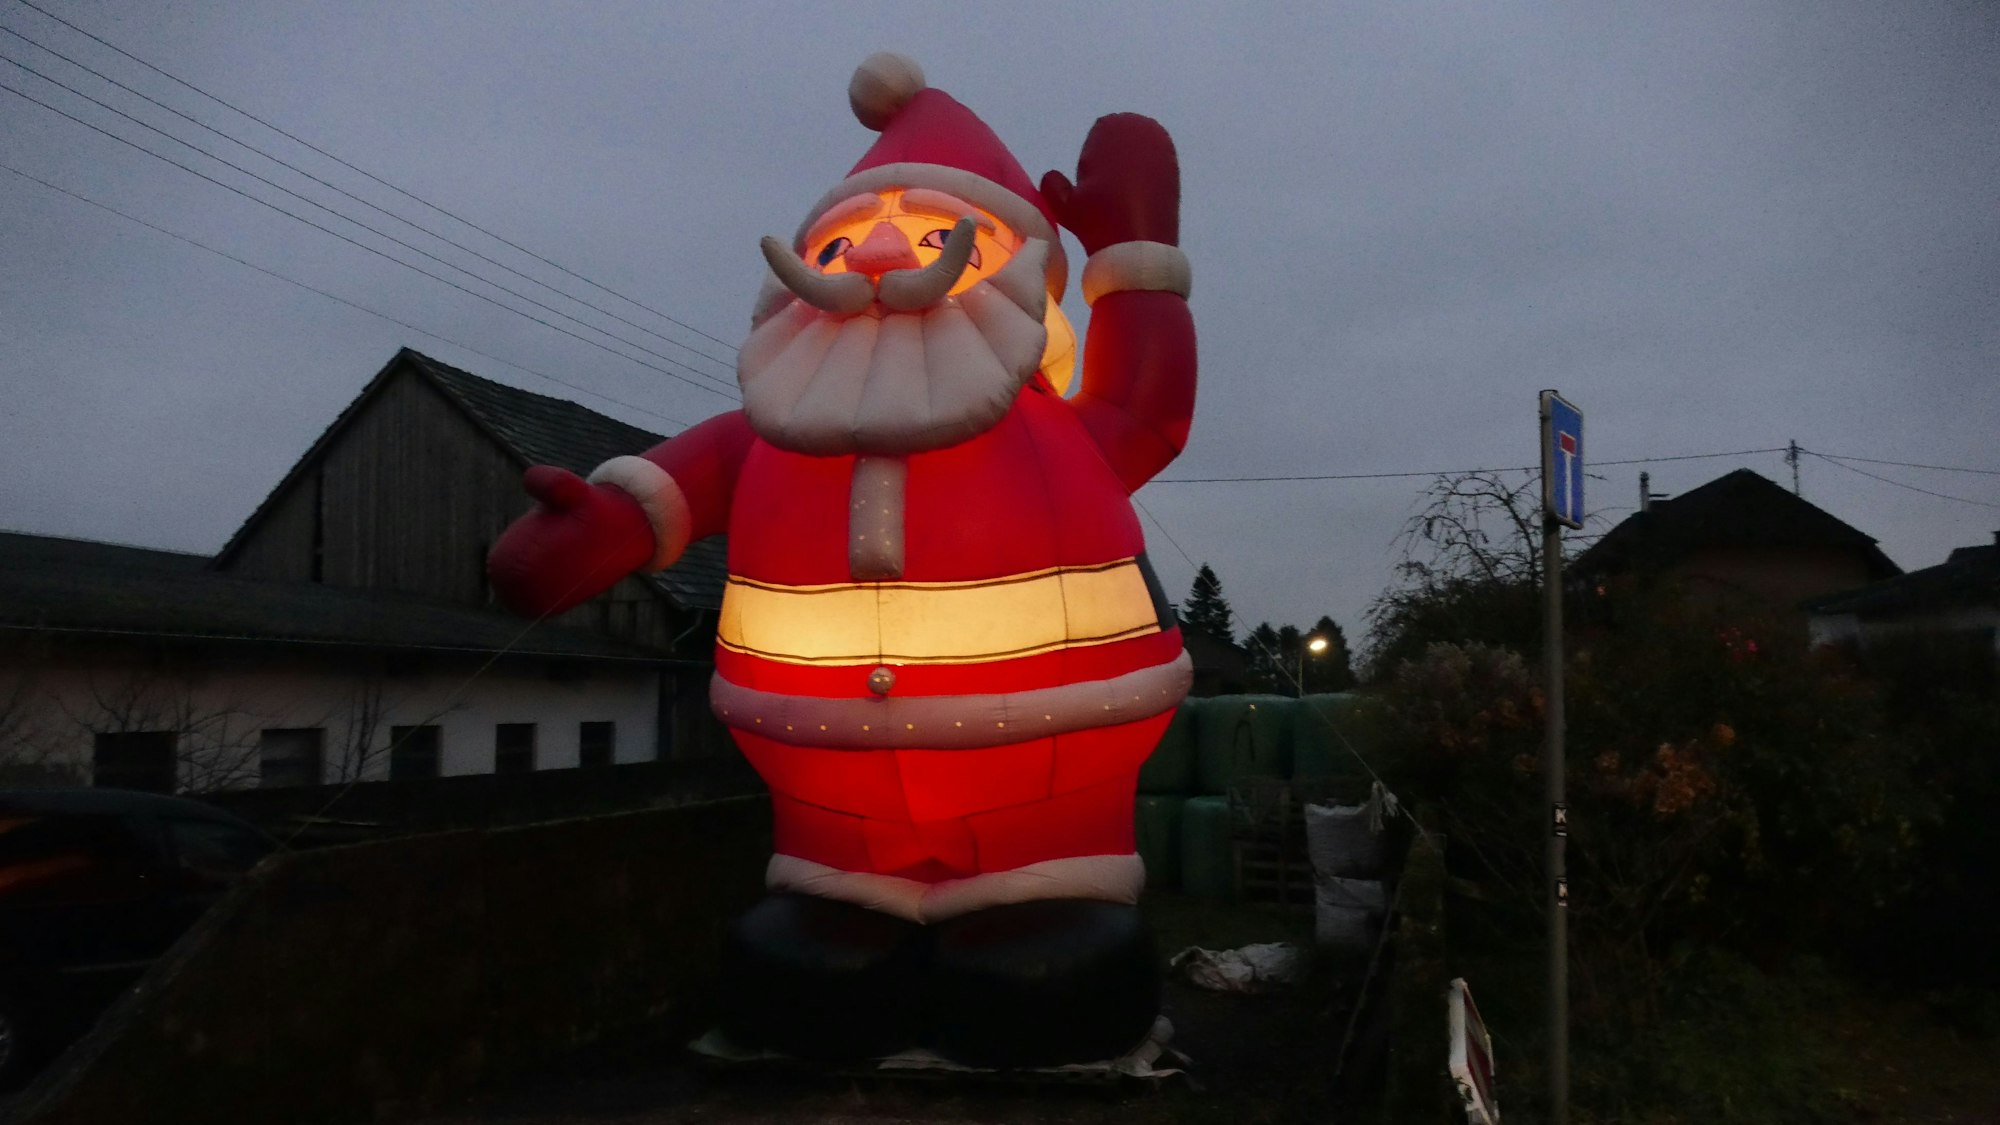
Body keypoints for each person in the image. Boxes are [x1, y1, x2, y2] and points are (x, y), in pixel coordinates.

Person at [488, 52, 1196, 1066]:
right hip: (826, 819)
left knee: (1043, 975)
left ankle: (1045, 919)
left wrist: (1132, 250)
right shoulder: (769, 435)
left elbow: (1148, 408)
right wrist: (587, 529)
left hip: (1048, 797)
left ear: (1015, 276)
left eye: (921, 231)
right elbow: (668, 490)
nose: (870, 253)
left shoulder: (1060, 433)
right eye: (843, 235)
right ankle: (845, 920)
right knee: (807, 974)